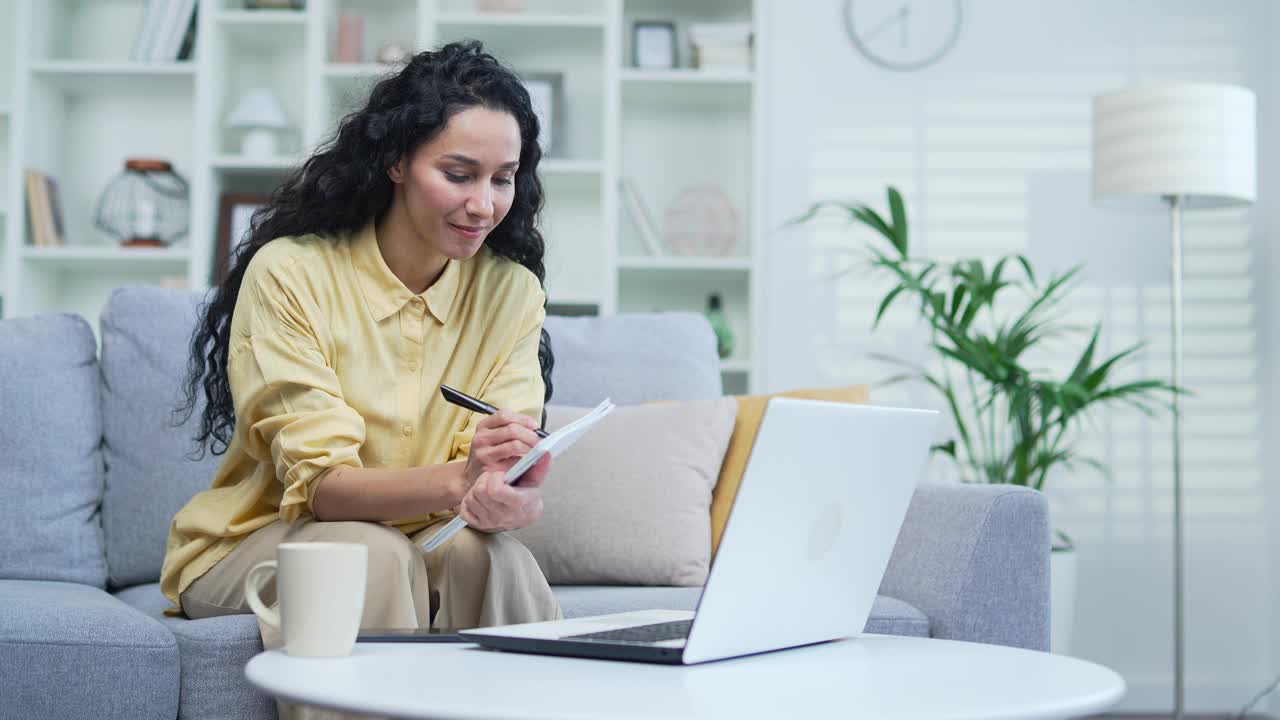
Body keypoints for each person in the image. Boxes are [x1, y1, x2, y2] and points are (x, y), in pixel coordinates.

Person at [159, 40, 563, 695]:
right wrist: (461, 482)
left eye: (503, 178)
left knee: (492, 560)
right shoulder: (291, 273)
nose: (485, 204)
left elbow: (491, 472)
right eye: (459, 175)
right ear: (397, 161)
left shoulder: (510, 291)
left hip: (424, 541)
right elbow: (324, 489)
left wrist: (506, 494)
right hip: (267, 540)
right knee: (371, 557)